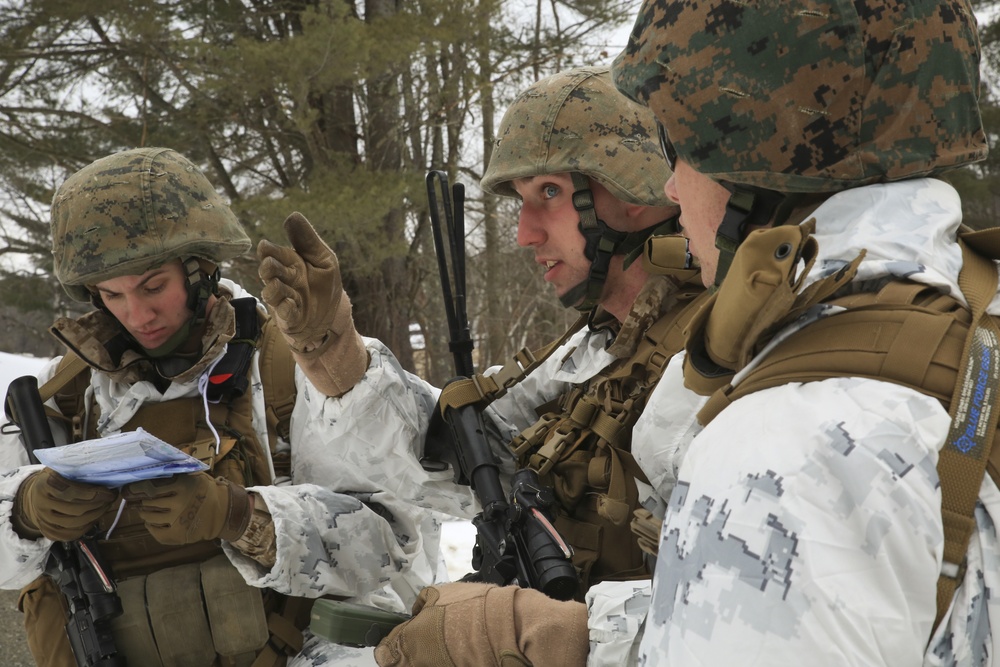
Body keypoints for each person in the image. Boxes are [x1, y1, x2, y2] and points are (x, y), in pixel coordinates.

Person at [256, 65, 705, 666]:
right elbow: (453, 452)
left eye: (548, 193)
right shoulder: (593, 352)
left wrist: (527, 630)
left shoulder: (712, 365)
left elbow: (740, 623)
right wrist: (332, 349)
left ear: (627, 188)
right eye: (521, 202)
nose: (524, 233)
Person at [610, 0, 990, 663]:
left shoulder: (780, 457)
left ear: (750, 157)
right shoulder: (971, 315)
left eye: (678, 146)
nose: (671, 188)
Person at [0, 147, 443, 667]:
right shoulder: (62, 396)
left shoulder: (292, 366)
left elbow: (393, 545)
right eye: (111, 295)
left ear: (201, 268)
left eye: (152, 286)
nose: (136, 314)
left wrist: (241, 516)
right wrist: (24, 511)